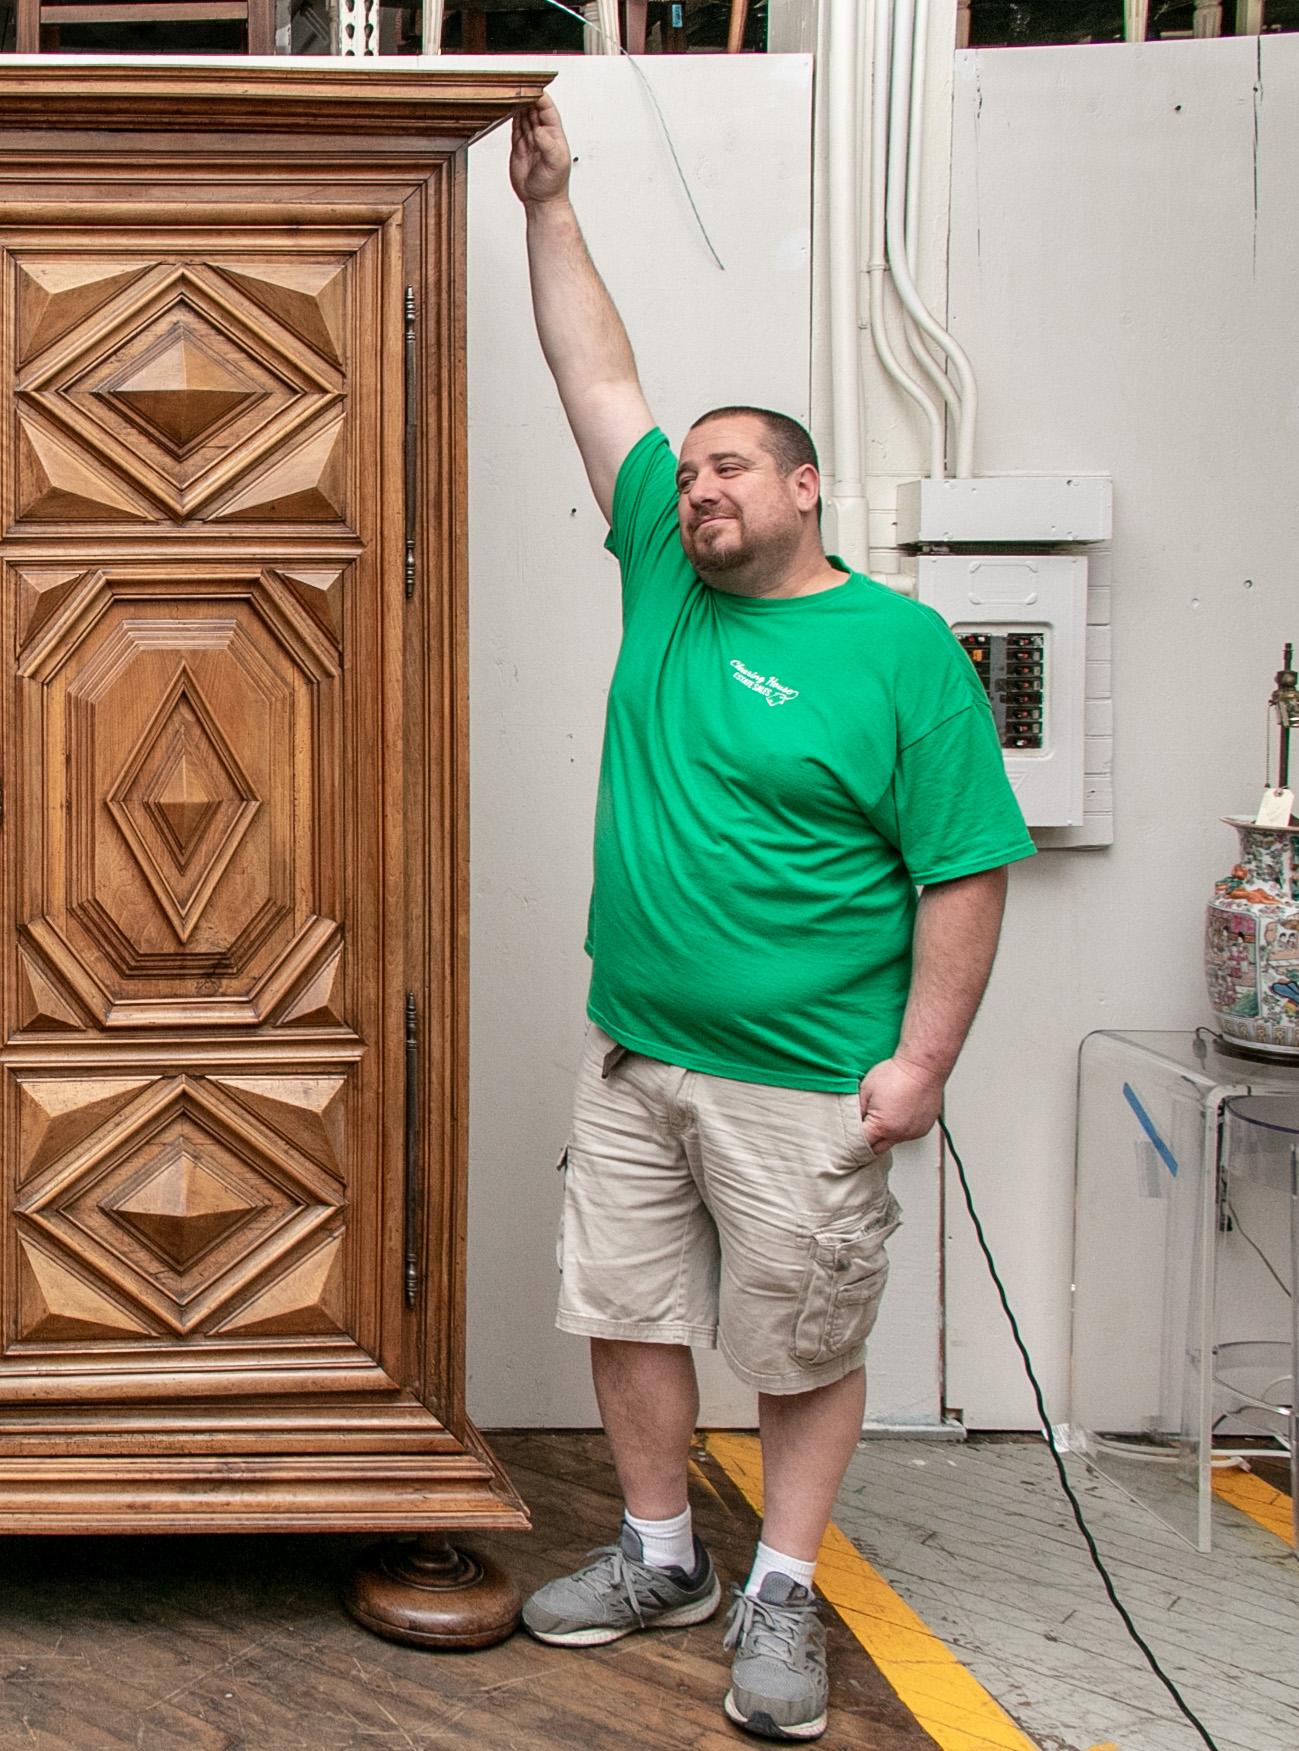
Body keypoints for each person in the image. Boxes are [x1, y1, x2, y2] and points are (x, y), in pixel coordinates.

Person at [504, 92, 1034, 1743]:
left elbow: (965, 868)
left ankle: (784, 1588)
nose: (699, 489)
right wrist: (550, 204)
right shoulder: (661, 571)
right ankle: (663, 1556)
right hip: (641, 1055)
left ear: (807, 489)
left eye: (731, 468)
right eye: (693, 472)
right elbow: (598, 377)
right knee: (631, 1313)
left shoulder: (901, 653)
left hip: (812, 1077)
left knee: (798, 1344)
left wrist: (923, 1064)